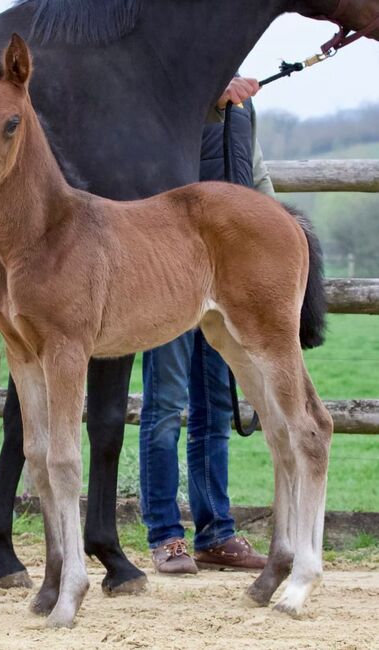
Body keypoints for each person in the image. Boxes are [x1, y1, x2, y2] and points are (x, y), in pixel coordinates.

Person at [139, 76, 272, 574]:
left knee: (215, 411)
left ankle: (216, 533)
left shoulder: (244, 112)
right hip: (170, 274)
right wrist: (204, 95)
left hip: (227, 280)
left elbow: (257, 182)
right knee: (166, 406)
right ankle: (165, 535)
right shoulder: (172, 98)